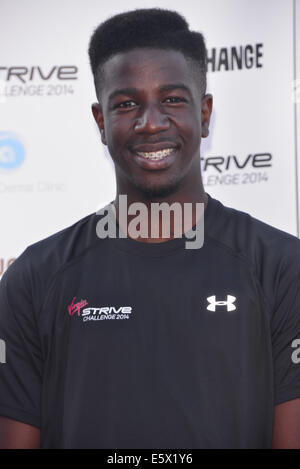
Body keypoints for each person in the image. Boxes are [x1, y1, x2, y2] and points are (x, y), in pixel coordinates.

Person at [0, 8, 300, 449]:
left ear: (205, 112)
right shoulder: (35, 277)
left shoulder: (280, 267)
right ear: (101, 122)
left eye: (173, 100)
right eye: (126, 104)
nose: (151, 122)